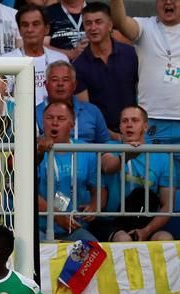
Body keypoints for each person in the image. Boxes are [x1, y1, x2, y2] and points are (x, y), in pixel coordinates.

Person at [111, 0, 180, 169]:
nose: (168, 2)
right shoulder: (145, 26)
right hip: (152, 120)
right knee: (153, 176)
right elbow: (120, 22)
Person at [93, 106, 175, 242]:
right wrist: (125, 157)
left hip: (145, 222)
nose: (129, 125)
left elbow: (167, 205)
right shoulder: (109, 147)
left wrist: (146, 230)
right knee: (124, 239)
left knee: (164, 238)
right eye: (124, 121)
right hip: (112, 221)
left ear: (145, 126)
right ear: (120, 127)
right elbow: (107, 166)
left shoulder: (162, 157)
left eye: (135, 120)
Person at [36, 101, 105, 241]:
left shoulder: (85, 150)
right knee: (40, 252)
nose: (54, 123)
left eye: (61, 118)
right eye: (49, 118)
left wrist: (94, 205)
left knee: (94, 249)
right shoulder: (33, 149)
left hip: (75, 227)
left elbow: (99, 188)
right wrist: (55, 215)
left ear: (72, 124)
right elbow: (27, 191)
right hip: (39, 228)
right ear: (42, 122)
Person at [73, 2, 138, 139]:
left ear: (110, 25)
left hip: (135, 133)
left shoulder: (130, 54)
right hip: (102, 138)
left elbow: (143, 93)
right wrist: (114, 136)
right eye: (88, 23)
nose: (93, 28)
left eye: (98, 22)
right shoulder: (79, 65)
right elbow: (87, 111)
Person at [4, 5, 68, 106]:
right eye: (25, 25)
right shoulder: (6, 61)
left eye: (36, 24)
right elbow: (1, 99)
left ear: (47, 29)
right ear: (19, 30)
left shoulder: (60, 59)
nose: (30, 29)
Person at [35, 61, 110, 144]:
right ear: (46, 85)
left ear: (74, 85)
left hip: (86, 152)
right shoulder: (34, 114)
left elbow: (105, 144)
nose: (60, 84)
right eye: (55, 80)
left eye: (65, 80)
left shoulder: (92, 111)